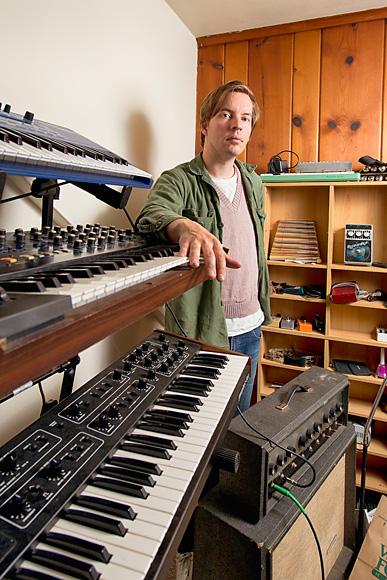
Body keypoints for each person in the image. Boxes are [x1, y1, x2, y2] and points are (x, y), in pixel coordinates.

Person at [136, 80, 272, 412]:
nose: (237, 123)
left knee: (238, 426)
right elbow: (151, 215)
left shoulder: (254, 182)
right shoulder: (178, 179)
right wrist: (184, 225)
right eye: (226, 114)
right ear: (204, 124)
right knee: (198, 426)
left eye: (245, 117)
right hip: (202, 331)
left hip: (251, 326)